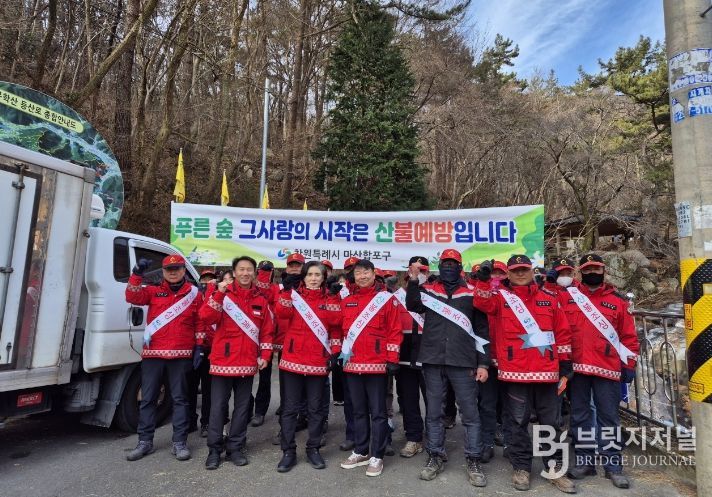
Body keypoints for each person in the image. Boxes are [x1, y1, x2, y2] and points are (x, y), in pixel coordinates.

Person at [473, 255, 576, 493]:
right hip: (514, 373)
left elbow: (562, 333)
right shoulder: (499, 298)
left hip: (547, 373)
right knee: (517, 422)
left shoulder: (550, 299)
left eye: (524, 269)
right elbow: (481, 302)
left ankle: (554, 469)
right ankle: (521, 468)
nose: (520, 274)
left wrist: (565, 363)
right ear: (508, 274)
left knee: (550, 424)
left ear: (532, 271)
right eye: (515, 270)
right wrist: (484, 280)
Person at [405, 249, 491, 488]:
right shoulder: (429, 290)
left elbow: (482, 330)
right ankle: (435, 455)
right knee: (434, 412)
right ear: (440, 266)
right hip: (433, 359)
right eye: (445, 263)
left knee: (470, 414)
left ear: (460, 267)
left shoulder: (472, 292)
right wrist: (414, 280)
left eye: (453, 264)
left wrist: (483, 363)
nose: (449, 267)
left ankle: (473, 459)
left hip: (463, 361)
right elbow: (413, 304)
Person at [563, 254, 639, 489]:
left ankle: (613, 466)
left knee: (609, 418)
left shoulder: (618, 302)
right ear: (580, 272)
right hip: (578, 368)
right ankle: (585, 461)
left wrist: (629, 365)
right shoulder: (568, 298)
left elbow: (629, 336)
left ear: (603, 271)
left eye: (596, 269)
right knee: (580, 416)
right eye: (587, 269)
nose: (592, 273)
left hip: (608, 368)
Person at [125, 255, 204, 462]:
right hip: (154, 354)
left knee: (180, 399)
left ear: (184, 270)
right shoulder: (153, 291)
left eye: (177, 268)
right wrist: (136, 275)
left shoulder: (194, 294)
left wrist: (199, 347)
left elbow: (200, 322)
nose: (173, 272)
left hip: (181, 354)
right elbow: (132, 296)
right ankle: (144, 441)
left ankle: (180, 442)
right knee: (148, 399)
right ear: (163, 272)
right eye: (169, 269)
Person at [200, 256, 274, 470]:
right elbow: (206, 317)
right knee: (218, 408)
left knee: (242, 408)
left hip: (247, 362)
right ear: (234, 272)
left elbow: (267, 332)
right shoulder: (222, 294)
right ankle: (214, 449)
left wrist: (265, 355)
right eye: (241, 269)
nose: (245, 273)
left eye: (249, 269)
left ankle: (235, 447)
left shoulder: (261, 299)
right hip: (222, 362)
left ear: (254, 273)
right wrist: (219, 293)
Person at [274, 261, 343, 472]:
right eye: (310, 274)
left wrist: (335, 352)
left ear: (324, 278)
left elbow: (335, 325)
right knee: (289, 409)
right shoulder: (294, 296)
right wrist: (287, 291)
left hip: (317, 362)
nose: (313, 278)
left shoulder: (330, 297)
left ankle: (313, 449)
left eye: (318, 275)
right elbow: (281, 313)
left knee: (315, 409)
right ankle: (288, 451)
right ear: (303, 277)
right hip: (292, 360)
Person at [339, 259, 402, 477]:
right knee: (358, 411)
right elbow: (340, 330)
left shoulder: (386, 299)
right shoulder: (347, 300)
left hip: (377, 364)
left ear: (374, 274)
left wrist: (392, 358)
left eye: (366, 272)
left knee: (378, 412)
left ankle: (377, 455)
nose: (362, 276)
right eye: (358, 273)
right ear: (353, 276)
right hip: (352, 364)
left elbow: (395, 330)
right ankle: (361, 450)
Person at [392, 256, 429, 458]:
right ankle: (413, 437)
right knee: (408, 399)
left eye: (422, 270)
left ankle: (434, 438)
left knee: (433, 400)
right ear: (408, 272)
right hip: (404, 354)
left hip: (429, 355)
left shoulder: (435, 294)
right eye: (415, 270)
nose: (419, 273)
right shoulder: (396, 297)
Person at [188, 269, 218, 437]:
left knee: (208, 390)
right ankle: (190, 421)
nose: (207, 282)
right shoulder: (194, 296)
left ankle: (206, 422)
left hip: (211, 350)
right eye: (204, 279)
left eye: (211, 279)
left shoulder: (219, 297)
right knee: (190, 388)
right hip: (194, 349)